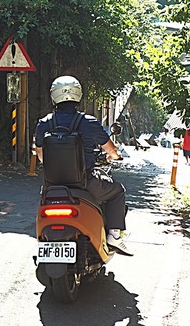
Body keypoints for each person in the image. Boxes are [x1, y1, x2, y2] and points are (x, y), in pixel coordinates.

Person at [35, 76, 132, 256]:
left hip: (53, 186)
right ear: (78, 94)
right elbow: (110, 149)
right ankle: (114, 236)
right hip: (86, 183)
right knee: (118, 191)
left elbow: (40, 154)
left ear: (53, 96)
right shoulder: (88, 122)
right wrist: (115, 156)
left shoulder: (44, 123)